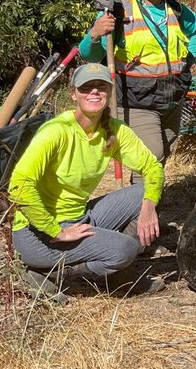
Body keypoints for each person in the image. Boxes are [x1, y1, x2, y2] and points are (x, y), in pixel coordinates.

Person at [9, 63, 165, 299]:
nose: (94, 92)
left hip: (79, 217)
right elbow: (18, 187)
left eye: (101, 87)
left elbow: (152, 167)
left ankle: (116, 274)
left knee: (143, 193)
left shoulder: (114, 130)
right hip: (38, 233)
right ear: (74, 94)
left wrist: (149, 205)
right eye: (86, 87)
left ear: (109, 93)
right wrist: (56, 231)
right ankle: (49, 273)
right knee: (126, 249)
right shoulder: (57, 131)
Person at [80, 0, 196, 168]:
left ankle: (151, 199)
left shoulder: (178, 11)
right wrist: (95, 34)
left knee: (163, 151)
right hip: (135, 99)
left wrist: (189, 57)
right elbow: (89, 54)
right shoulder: (118, 10)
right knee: (150, 154)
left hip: (172, 97)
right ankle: (138, 200)